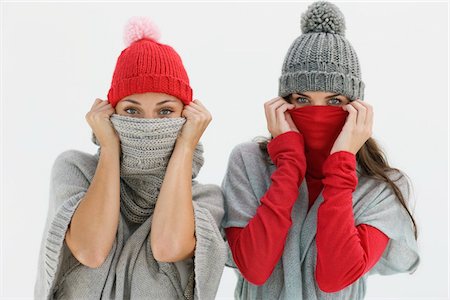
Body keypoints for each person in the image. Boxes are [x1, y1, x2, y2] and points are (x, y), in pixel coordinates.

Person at [221, 2, 420, 299]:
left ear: (357, 108)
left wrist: (341, 165)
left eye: (334, 101)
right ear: (283, 103)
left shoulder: (382, 187)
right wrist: (288, 165)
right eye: (302, 99)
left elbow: (335, 277)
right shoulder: (248, 163)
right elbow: (254, 267)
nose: (317, 112)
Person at [34, 16, 227, 299]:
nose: (148, 124)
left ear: (187, 116)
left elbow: (168, 246)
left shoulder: (205, 200)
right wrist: (109, 147)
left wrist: (185, 146)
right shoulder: (75, 169)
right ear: (111, 113)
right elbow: (91, 250)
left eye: (165, 112)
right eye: (132, 111)